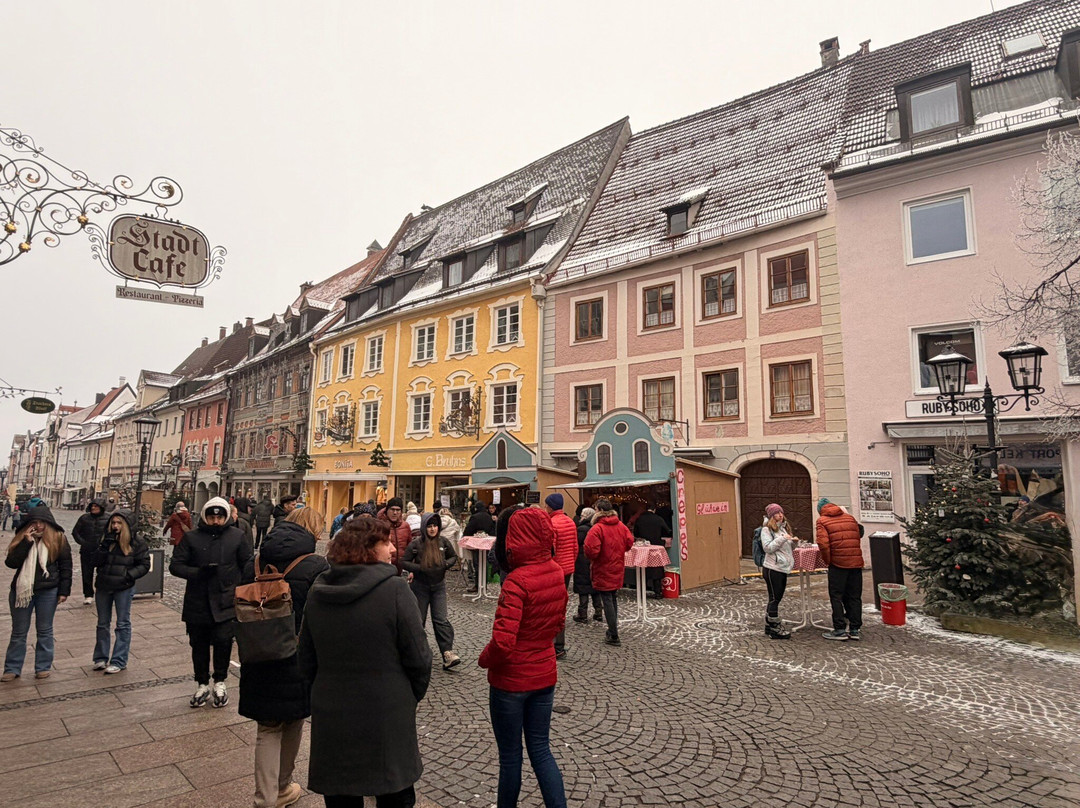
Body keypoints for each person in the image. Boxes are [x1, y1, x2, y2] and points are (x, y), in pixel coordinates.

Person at [299, 516, 431, 807]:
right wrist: (408, 696)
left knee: (341, 795)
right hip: (386, 712)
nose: (393, 549)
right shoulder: (396, 590)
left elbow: (306, 658)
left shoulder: (319, 591)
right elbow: (420, 658)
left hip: (332, 711)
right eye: (385, 542)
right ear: (368, 548)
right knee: (393, 794)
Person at [239, 507, 329, 808]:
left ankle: (264, 798)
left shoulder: (256, 561)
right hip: (296, 654)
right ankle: (282, 787)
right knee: (293, 719)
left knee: (267, 727)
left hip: (257, 650)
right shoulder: (315, 565)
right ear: (312, 531)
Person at [479, 505, 568, 808]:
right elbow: (558, 623)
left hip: (511, 681)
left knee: (510, 757)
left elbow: (503, 642)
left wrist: (484, 659)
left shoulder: (517, 581)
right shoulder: (556, 571)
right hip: (544, 673)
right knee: (542, 751)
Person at [169, 497, 253, 707]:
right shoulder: (192, 538)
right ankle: (202, 682)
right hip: (198, 599)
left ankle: (220, 680)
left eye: (219, 517)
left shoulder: (237, 536)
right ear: (205, 517)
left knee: (224, 642)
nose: (215, 521)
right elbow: (176, 565)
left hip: (226, 599)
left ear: (225, 517)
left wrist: (237, 586)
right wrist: (198, 573)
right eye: (212, 517)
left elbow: (247, 565)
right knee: (199, 644)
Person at [3, 504, 71, 681]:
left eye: (42, 522)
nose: (39, 526)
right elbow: (11, 563)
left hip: (48, 591)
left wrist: (64, 591)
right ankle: (12, 668)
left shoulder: (58, 539)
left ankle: (42, 667)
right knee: (18, 631)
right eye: (35, 522)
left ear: (49, 523)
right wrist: (26, 542)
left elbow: (66, 567)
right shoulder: (22, 538)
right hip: (22, 590)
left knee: (45, 630)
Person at [92, 509, 150, 673]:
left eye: (119, 523)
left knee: (122, 623)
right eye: (113, 522)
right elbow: (95, 562)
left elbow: (144, 564)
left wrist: (129, 575)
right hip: (104, 585)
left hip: (123, 586)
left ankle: (119, 660)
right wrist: (104, 546)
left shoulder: (136, 542)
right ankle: (100, 658)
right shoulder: (105, 539)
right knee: (102, 623)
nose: (115, 526)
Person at [400, 514, 461, 670]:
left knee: (441, 620)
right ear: (424, 527)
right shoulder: (416, 544)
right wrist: (419, 568)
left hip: (438, 587)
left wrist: (445, 565)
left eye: (435, 526)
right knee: (418, 621)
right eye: (429, 526)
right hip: (420, 588)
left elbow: (453, 556)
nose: (432, 529)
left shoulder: (443, 542)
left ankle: (447, 653)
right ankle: (416, 654)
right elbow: (404, 561)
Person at [584, 499, 633, 647]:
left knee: (607, 598)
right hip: (617, 566)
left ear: (598, 510)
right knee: (612, 597)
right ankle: (613, 630)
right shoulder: (621, 526)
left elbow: (591, 550)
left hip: (602, 567)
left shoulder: (597, 528)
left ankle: (613, 634)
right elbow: (629, 542)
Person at [815, 498, 865, 641]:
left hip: (838, 564)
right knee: (854, 596)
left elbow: (823, 543)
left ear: (820, 510)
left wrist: (828, 560)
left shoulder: (822, 521)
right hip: (856, 562)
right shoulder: (850, 518)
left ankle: (839, 629)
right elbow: (859, 533)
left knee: (836, 595)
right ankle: (855, 628)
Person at [543, 493, 577, 660]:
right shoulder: (570, 521)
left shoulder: (551, 523)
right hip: (568, 569)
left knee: (552, 607)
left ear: (550, 506)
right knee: (561, 606)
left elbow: (551, 549)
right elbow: (575, 548)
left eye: (546, 505)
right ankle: (559, 645)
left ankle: (556, 646)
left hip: (555, 570)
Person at [760, 503, 796, 640]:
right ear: (771, 516)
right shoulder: (767, 530)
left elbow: (786, 549)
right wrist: (782, 539)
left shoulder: (782, 528)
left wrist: (793, 542)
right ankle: (775, 627)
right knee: (775, 598)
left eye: (781, 512)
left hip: (782, 567)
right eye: (777, 513)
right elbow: (768, 548)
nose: (780, 515)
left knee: (775, 597)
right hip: (773, 568)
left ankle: (769, 625)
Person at [72, 499, 109, 604]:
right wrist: (83, 543)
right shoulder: (84, 518)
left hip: (102, 551)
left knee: (102, 572)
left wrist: (105, 544)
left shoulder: (108, 518)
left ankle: (101, 592)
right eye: (92, 506)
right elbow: (75, 532)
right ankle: (88, 595)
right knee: (86, 573)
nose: (93, 508)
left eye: (96, 506)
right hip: (86, 550)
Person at [571, 508, 602, 624]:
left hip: (582, 560)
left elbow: (576, 543)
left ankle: (582, 613)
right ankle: (598, 611)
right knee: (594, 588)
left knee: (583, 587)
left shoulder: (581, 530)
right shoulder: (596, 528)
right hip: (593, 560)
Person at [633, 504, 669, 598]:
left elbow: (636, 533)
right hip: (656, 546)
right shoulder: (658, 518)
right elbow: (667, 530)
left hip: (643, 547)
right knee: (656, 568)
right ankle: (657, 592)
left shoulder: (640, 519)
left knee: (643, 569)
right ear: (654, 510)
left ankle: (642, 592)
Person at [463, 501, 496, 594]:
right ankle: (484, 584)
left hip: (476, 543)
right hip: (486, 543)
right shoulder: (489, 517)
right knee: (484, 564)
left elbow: (468, 530)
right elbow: (492, 531)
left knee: (477, 564)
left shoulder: (475, 517)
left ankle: (478, 585)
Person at [377, 497, 412, 574]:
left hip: (401, 569)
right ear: (387, 510)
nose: (395, 513)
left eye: (398, 510)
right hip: (383, 568)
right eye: (392, 509)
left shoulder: (405, 526)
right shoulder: (379, 526)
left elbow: (410, 547)